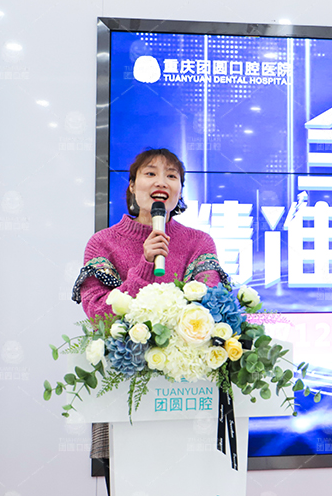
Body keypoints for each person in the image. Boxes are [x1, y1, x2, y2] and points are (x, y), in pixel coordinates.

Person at [70, 148, 227, 494]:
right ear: (132, 185)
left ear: (180, 190)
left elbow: (212, 307)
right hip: (124, 391)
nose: (162, 182)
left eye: (172, 176)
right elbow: (98, 312)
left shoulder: (199, 242)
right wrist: (144, 265)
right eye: (151, 173)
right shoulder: (102, 243)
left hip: (189, 394)